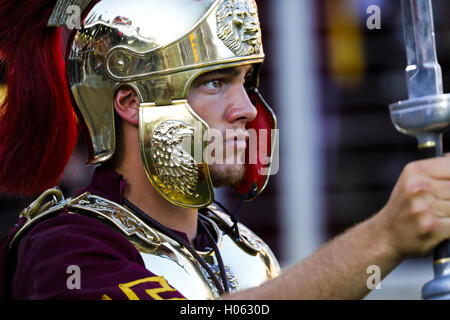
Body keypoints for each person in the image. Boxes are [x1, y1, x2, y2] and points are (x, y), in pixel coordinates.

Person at [1, 0, 450, 300]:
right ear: (131, 102)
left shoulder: (245, 251)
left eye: (245, 82)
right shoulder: (64, 249)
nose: (244, 110)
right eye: (214, 82)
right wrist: (384, 238)